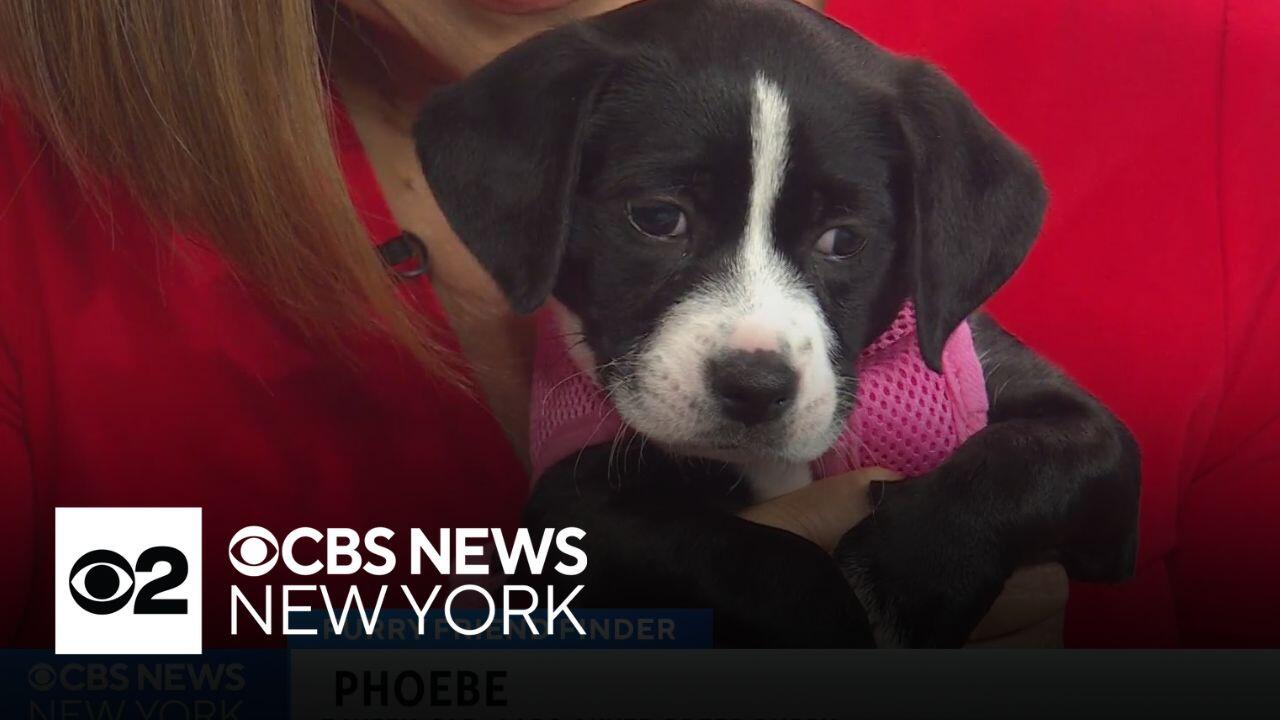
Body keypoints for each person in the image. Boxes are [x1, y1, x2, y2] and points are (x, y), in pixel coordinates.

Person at [6, 0, 1136, 650]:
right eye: (657, 219)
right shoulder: (52, 207)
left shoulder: (932, 114)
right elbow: (104, 655)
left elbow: (1104, 490)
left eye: (841, 241)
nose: (754, 332)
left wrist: (939, 557)